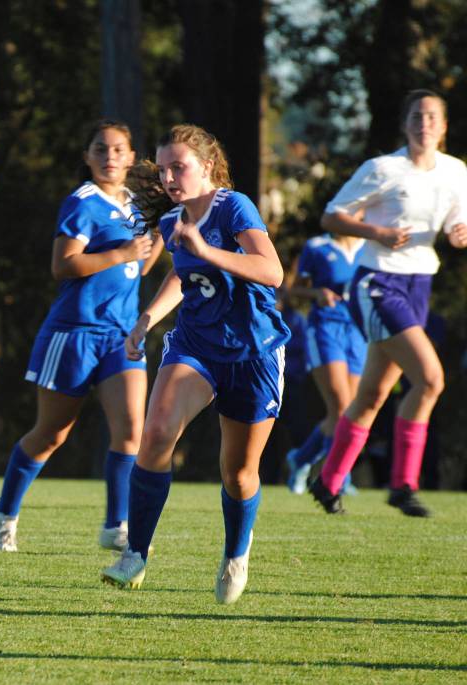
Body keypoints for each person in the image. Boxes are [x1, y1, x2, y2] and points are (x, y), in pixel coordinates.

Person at [100, 124, 290, 605]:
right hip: (196, 346)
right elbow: (184, 278)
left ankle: (236, 553)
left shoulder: (234, 207)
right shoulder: (173, 221)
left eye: (178, 167)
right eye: (163, 169)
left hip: (253, 351)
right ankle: (135, 555)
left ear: (206, 166)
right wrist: (147, 319)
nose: (168, 178)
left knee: (239, 474)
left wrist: (208, 250)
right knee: (156, 432)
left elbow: (272, 271)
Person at [0, 119, 161, 553]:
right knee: (51, 433)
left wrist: (159, 233)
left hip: (121, 335)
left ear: (131, 157)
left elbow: (139, 266)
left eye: (118, 149)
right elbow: (63, 265)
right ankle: (5, 512)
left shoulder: (135, 205)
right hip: (74, 334)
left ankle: (116, 526)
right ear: (87, 156)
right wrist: (121, 251)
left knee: (131, 430)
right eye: (100, 149)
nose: (110, 157)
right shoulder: (82, 202)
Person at [309, 89, 467, 517]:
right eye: (417, 116)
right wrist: (377, 233)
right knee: (430, 379)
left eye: (432, 117)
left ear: (444, 126)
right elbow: (331, 216)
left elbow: (458, 222)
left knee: (372, 395)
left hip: (419, 284)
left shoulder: (455, 171)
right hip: (378, 282)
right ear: (404, 124)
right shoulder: (382, 169)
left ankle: (327, 482)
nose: (424, 123)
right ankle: (403, 484)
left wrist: (459, 234)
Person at [283, 233, 366, 494]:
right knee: (341, 407)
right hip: (325, 327)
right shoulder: (317, 246)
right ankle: (338, 479)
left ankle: (301, 459)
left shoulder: (369, 245)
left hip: (358, 331)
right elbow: (293, 289)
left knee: (348, 411)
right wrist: (317, 292)